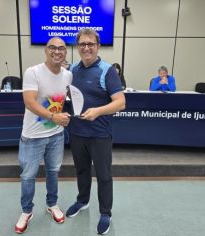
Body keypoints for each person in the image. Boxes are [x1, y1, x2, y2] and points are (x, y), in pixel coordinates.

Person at [66, 29, 126, 235]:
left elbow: (121, 103)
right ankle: (82, 201)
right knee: (81, 170)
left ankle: (105, 212)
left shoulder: (107, 70)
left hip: (100, 134)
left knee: (103, 175)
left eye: (90, 44)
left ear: (97, 46)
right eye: (82, 44)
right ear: (78, 47)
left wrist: (98, 111)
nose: (86, 48)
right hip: (77, 132)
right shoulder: (72, 69)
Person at [15, 37, 72, 234]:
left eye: (62, 48)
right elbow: (30, 102)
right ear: (45, 50)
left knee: (53, 172)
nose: (57, 51)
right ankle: (26, 211)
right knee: (28, 176)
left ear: (66, 52)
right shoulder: (33, 72)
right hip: (32, 136)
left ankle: (52, 204)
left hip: (56, 135)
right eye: (53, 48)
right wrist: (53, 116)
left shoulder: (68, 75)